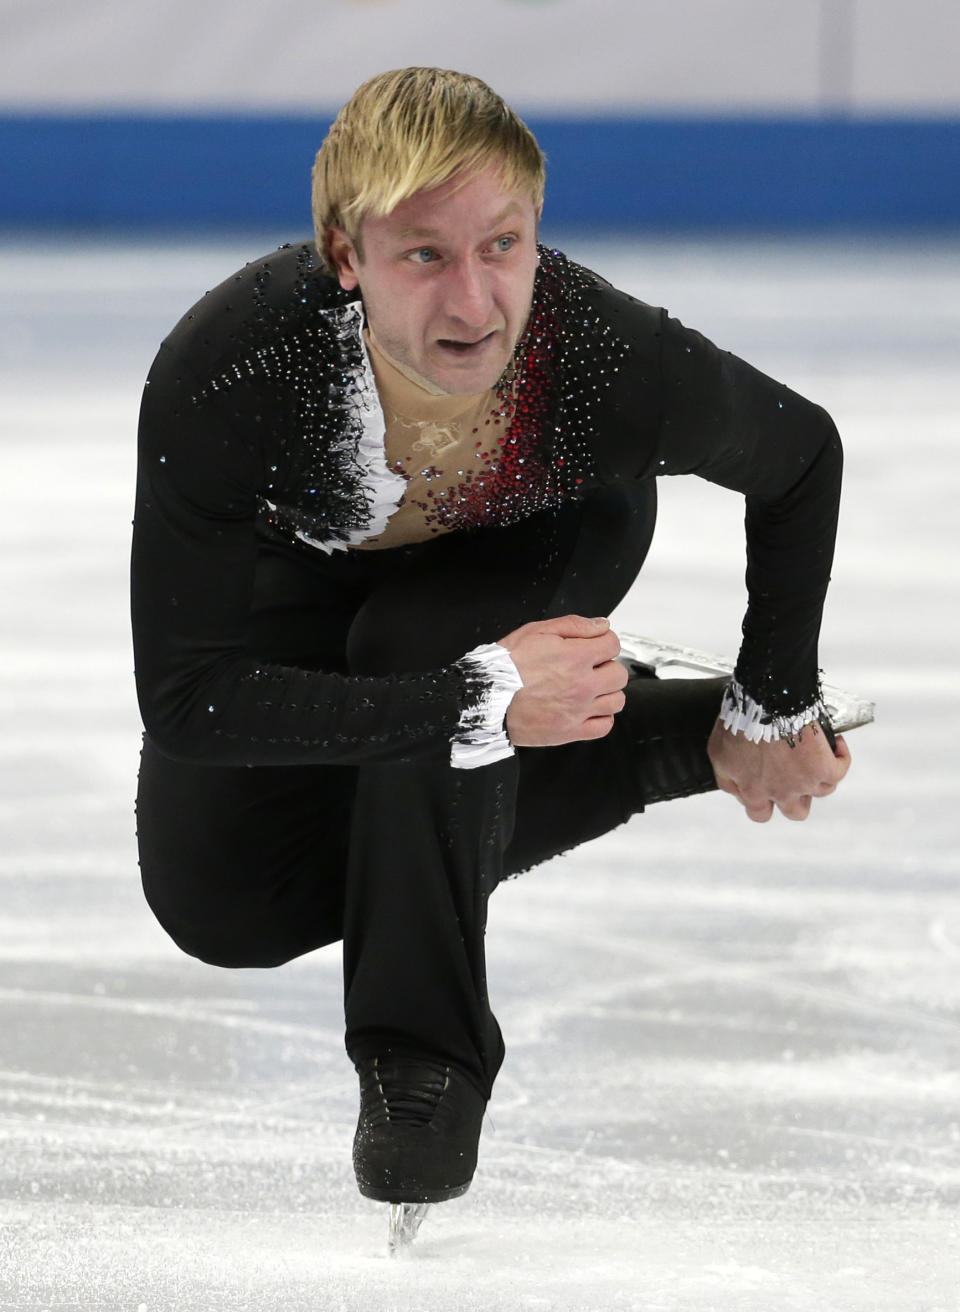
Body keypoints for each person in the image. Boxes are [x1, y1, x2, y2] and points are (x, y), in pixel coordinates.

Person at [131, 67, 851, 1210]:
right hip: (319, 567)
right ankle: (662, 736)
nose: (475, 303)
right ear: (344, 255)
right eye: (424, 253)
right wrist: (475, 703)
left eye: (502, 245)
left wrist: (777, 698)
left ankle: (424, 1062)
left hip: (546, 535)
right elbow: (190, 701)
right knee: (228, 903)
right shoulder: (240, 372)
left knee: (425, 641)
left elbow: (801, 453)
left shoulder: (597, 353)